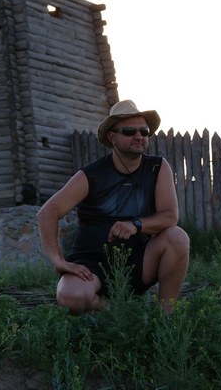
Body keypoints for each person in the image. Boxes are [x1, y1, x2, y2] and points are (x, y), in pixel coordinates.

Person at [37, 100, 190, 315]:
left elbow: (169, 217)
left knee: (177, 237)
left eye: (144, 131)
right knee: (70, 298)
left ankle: (166, 317)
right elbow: (47, 213)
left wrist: (136, 224)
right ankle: (117, 308)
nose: (139, 136)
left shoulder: (157, 167)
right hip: (90, 264)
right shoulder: (91, 175)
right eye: (129, 131)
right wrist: (58, 261)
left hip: (137, 261)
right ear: (112, 137)